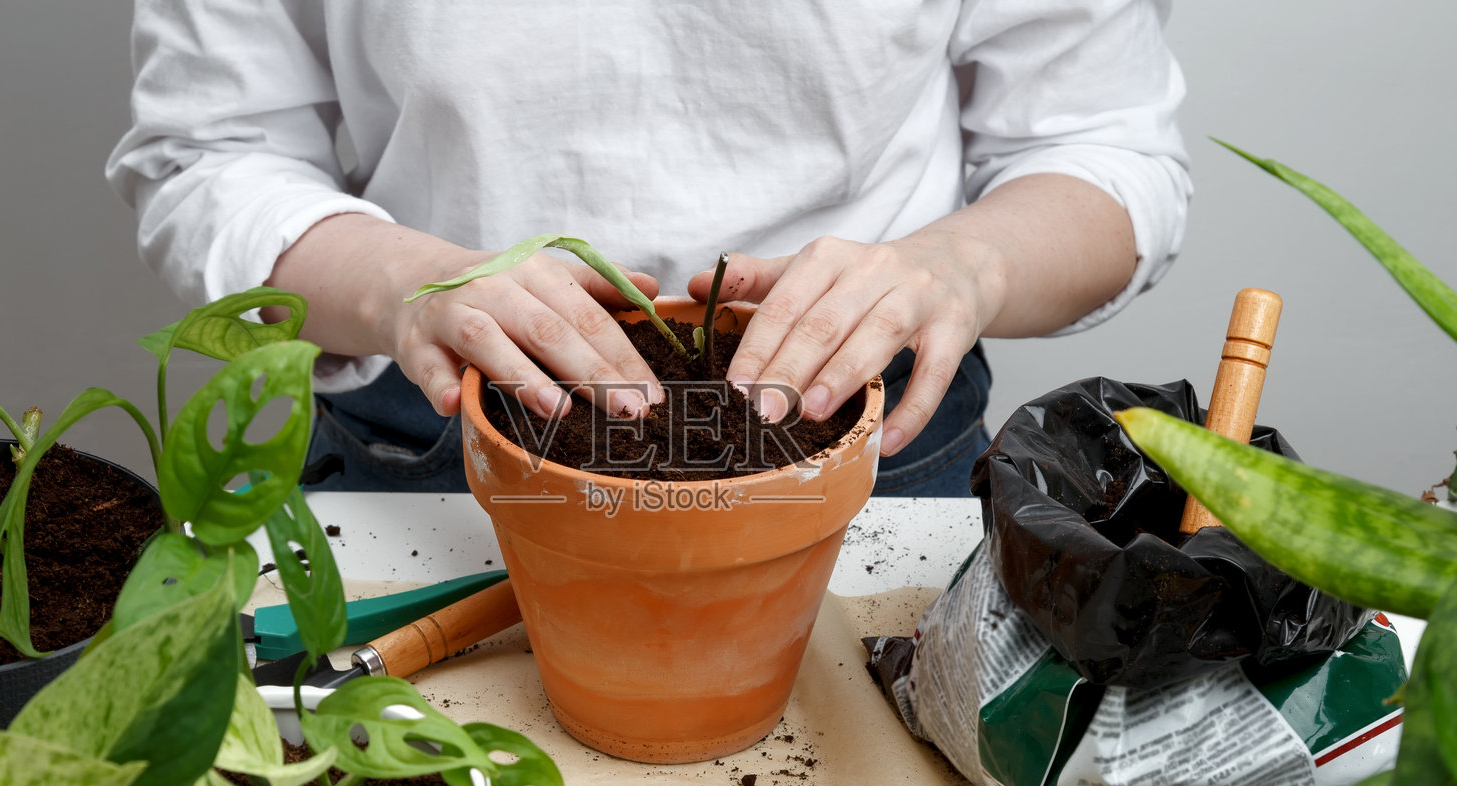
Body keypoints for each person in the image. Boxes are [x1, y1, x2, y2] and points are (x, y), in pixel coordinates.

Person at [107, 1, 1190, 497]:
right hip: (443, 440)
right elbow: (208, 153)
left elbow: (1101, 147)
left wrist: (960, 266)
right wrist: (407, 283)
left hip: (866, 440)